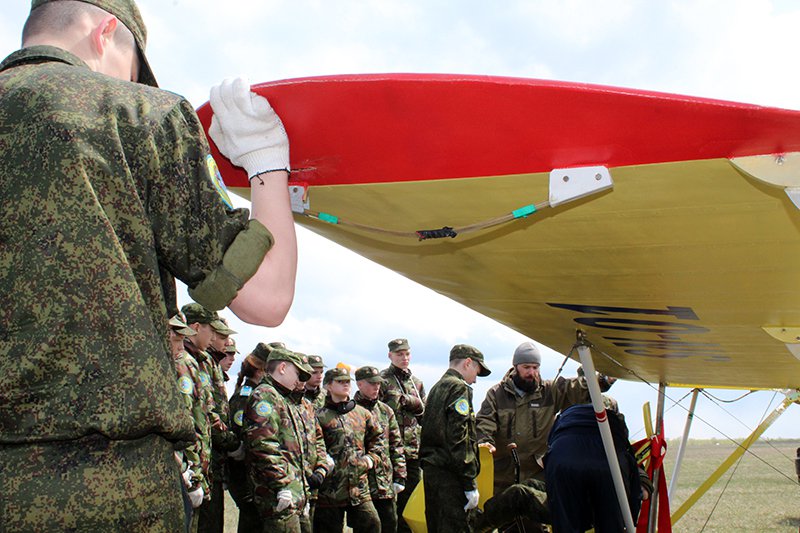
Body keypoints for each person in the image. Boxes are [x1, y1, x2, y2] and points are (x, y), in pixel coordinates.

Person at [0, 0, 297, 528]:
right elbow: (267, 296)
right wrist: (266, 162)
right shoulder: (138, 111)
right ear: (107, 32)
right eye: (134, 65)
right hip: (106, 488)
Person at [475, 341, 615, 532]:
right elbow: (484, 423)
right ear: (515, 367)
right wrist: (485, 442)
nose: (531, 372)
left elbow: (576, 388)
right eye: (526, 367)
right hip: (504, 477)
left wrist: (603, 380)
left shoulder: (550, 391)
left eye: (535, 367)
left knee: (533, 525)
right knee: (508, 525)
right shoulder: (496, 394)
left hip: (537, 476)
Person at [420, 344, 492, 533]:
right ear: (468, 363)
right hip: (450, 478)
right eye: (477, 369)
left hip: (432, 473)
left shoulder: (437, 387)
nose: (476, 379)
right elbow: (458, 437)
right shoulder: (459, 388)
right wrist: (469, 482)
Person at [544, 402, 643, 533]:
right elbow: (633, 473)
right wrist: (630, 517)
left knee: (567, 524)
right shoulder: (615, 424)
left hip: (563, 459)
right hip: (608, 464)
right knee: (611, 525)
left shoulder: (564, 418)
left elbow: (550, 452)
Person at [244, 347, 314, 532]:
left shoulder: (283, 399)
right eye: (297, 373)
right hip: (277, 497)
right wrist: (282, 485)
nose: (299, 380)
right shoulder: (266, 396)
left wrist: (301, 492)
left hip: (294, 495)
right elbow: (264, 446)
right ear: (282, 367)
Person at [315, 366, 383, 533]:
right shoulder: (318, 416)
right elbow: (313, 445)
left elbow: (378, 441)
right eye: (340, 382)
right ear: (328, 386)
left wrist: (370, 459)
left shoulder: (362, 414)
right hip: (329, 491)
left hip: (358, 488)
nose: (345, 385)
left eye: (347, 382)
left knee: (372, 525)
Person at [380, 338, 426, 532]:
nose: (404, 358)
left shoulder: (416, 383)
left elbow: (425, 414)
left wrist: (415, 403)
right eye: (399, 354)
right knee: (387, 502)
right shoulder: (382, 380)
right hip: (389, 451)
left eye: (407, 354)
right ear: (390, 355)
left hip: (413, 451)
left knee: (408, 502)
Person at [355, 365, 408, 533]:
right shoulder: (351, 410)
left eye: (378, 383)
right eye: (372, 383)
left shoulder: (386, 411)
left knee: (390, 524)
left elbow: (396, 445)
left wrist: (400, 475)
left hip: (385, 483)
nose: (376, 387)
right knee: (366, 526)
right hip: (362, 485)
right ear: (360, 384)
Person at [228, 342, 269, 533]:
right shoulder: (247, 396)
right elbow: (240, 434)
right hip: (244, 473)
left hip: (253, 473)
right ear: (261, 370)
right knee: (251, 520)